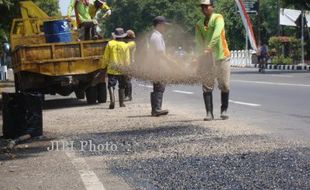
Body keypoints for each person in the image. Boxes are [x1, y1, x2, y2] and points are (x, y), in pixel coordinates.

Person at [195, 0, 231, 121]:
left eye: (206, 6)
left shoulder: (218, 18)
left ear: (212, 7)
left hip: (222, 56)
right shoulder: (199, 24)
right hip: (207, 59)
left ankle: (224, 110)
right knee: (206, 85)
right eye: (202, 7)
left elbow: (217, 34)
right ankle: (209, 113)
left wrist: (209, 48)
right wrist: (199, 55)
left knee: (224, 84)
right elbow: (198, 42)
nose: (204, 9)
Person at [149, 16, 176, 117]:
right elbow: (161, 54)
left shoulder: (157, 36)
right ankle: (156, 109)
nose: (165, 28)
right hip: (157, 65)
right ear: (159, 25)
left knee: (158, 86)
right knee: (159, 86)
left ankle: (156, 109)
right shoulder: (156, 37)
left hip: (157, 65)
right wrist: (172, 62)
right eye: (164, 25)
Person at [103, 28, 130, 109]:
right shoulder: (125, 45)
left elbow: (106, 57)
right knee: (122, 86)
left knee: (111, 85)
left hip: (112, 69)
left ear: (115, 36)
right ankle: (121, 103)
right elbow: (127, 60)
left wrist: (103, 67)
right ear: (122, 36)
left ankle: (112, 101)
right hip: (122, 69)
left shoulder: (110, 44)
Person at [124, 30, 136, 101]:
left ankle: (128, 95)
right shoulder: (128, 43)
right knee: (125, 80)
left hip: (130, 63)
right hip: (127, 63)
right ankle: (127, 95)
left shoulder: (132, 43)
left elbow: (124, 47)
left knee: (127, 80)